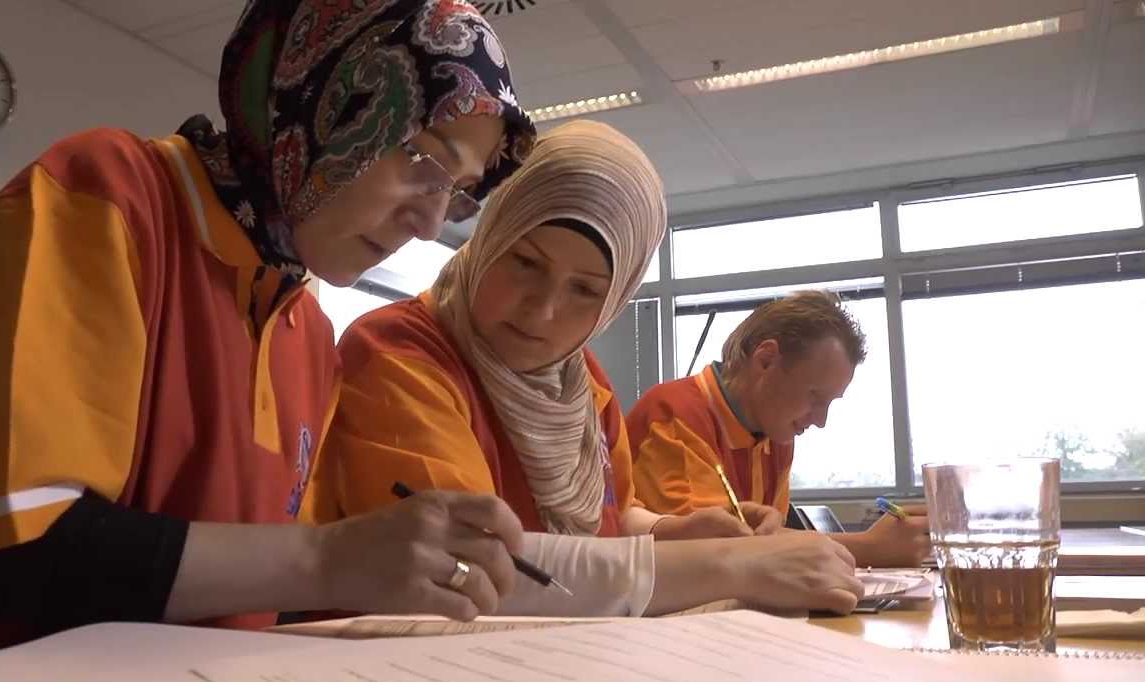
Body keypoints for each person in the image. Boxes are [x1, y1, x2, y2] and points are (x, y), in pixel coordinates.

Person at [0, 0, 538, 672]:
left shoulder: (304, 335)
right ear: (324, 89)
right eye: (421, 157)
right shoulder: (109, 197)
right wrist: (328, 559)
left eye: (457, 193)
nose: (428, 224)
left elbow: (250, 594)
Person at [304, 120, 864, 617]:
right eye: (525, 263)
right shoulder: (397, 352)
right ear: (490, 238)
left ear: (615, 300)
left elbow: (611, 515)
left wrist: (669, 532)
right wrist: (732, 566)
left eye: (585, 290)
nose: (542, 310)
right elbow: (472, 568)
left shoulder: (582, 382)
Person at [627, 290, 931, 568]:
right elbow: (711, 553)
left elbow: (765, 539)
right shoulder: (675, 414)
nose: (820, 420)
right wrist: (868, 548)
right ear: (766, 360)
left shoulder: (775, 433)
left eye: (829, 402)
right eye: (815, 396)